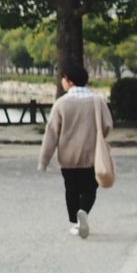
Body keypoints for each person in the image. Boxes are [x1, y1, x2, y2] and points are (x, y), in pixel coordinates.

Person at [37, 63, 114, 239]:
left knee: (71, 188)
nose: (62, 81)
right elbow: (108, 125)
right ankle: (84, 212)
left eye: (63, 78)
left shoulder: (61, 104)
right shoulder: (97, 101)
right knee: (90, 188)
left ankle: (74, 222)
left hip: (68, 156)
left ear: (69, 81)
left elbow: (51, 134)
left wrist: (44, 161)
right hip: (92, 155)